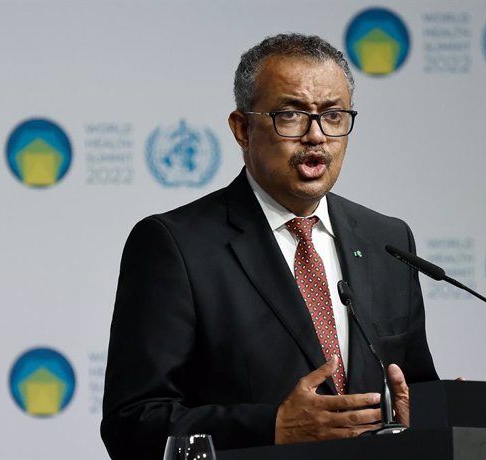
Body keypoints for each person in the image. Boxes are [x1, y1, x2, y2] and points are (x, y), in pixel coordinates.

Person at [101, 33, 438, 459]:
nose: (316, 136)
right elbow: (132, 422)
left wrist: (436, 415)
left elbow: (415, 390)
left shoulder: (387, 241)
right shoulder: (175, 245)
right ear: (242, 128)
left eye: (333, 115)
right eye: (291, 115)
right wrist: (274, 427)